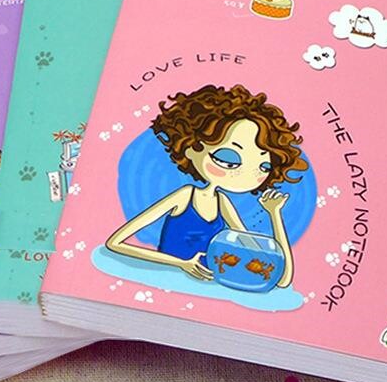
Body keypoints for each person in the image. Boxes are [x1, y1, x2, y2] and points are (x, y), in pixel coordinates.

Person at [106, 83, 308, 288]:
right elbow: (115, 242)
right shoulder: (185, 196)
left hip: (208, 287)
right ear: (191, 148)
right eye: (228, 159)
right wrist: (182, 263)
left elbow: (281, 278)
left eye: (263, 166)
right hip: (170, 282)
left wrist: (274, 213)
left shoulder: (222, 202)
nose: (243, 174)